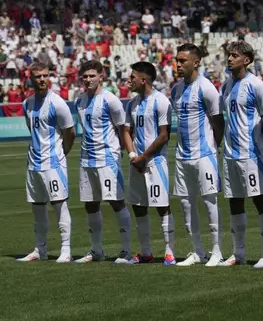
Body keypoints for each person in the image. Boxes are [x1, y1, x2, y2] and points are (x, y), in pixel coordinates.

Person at [218, 41, 263, 268]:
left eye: (234, 55)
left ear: (247, 60)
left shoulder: (256, 85)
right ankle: (238, 253)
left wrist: (260, 146)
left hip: (251, 153)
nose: (230, 59)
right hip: (230, 153)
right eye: (228, 55)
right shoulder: (226, 86)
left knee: (259, 199)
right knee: (234, 202)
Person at [170, 43, 225, 267]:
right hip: (182, 156)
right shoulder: (175, 90)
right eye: (177, 60)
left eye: (183, 60)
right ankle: (196, 251)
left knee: (209, 201)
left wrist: (214, 146)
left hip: (204, 154)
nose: (178, 64)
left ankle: (217, 251)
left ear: (196, 62)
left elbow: (218, 122)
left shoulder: (207, 88)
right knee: (186, 204)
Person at [74, 60, 132, 264]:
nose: (88, 79)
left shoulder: (111, 100)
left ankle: (126, 251)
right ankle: (96, 250)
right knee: (90, 204)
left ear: (101, 76)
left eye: (92, 75)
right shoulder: (79, 101)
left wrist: (123, 152)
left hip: (107, 158)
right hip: (86, 158)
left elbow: (122, 128)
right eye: (85, 76)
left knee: (116, 202)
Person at [17, 63, 75, 263]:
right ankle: (39, 250)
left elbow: (70, 132)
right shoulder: (27, 103)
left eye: (45, 76)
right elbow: (31, 129)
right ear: (30, 78)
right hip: (33, 164)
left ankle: (66, 250)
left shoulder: (57, 103)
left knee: (60, 205)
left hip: (53, 164)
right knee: (38, 208)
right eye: (38, 76)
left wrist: (63, 152)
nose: (42, 79)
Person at [122, 62, 176, 266]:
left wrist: (144, 157)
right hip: (137, 162)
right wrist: (132, 155)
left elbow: (164, 135)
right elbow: (126, 131)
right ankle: (145, 252)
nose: (129, 81)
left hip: (156, 162)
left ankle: (169, 252)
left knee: (162, 206)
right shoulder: (131, 103)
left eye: (132, 77)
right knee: (138, 206)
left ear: (143, 80)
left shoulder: (161, 101)